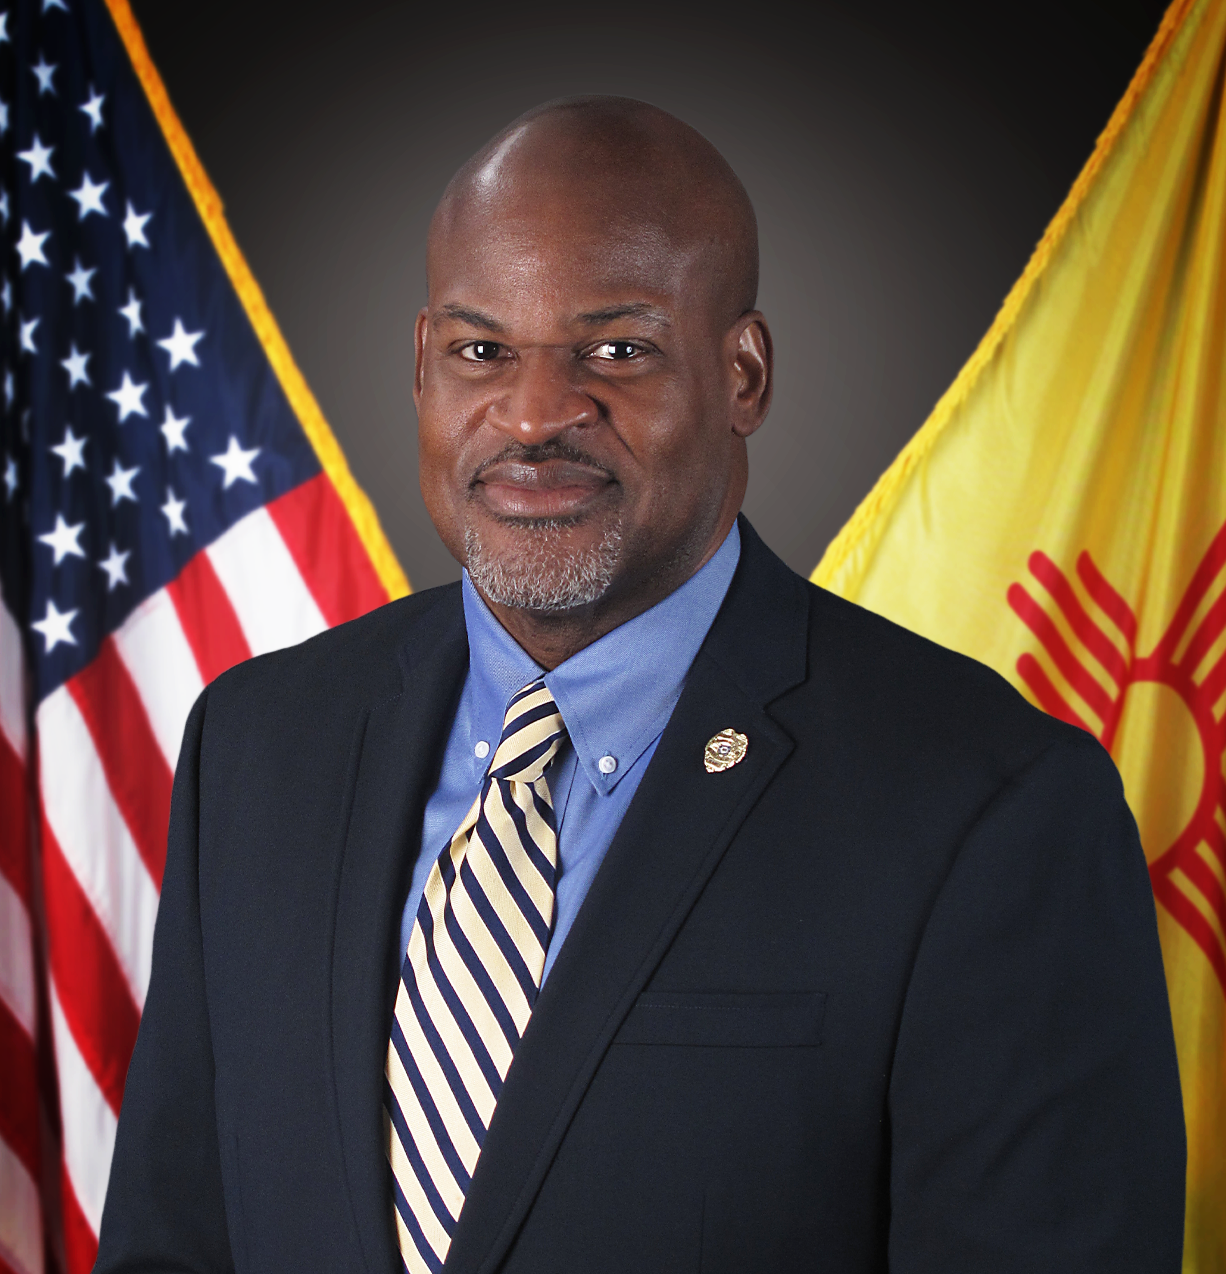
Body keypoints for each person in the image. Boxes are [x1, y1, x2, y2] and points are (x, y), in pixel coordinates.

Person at [96, 97, 1185, 1274]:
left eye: (615, 349)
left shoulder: (992, 809)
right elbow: (174, 1239)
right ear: (420, 367)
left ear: (743, 375)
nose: (531, 413)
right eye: (481, 350)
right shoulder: (257, 745)